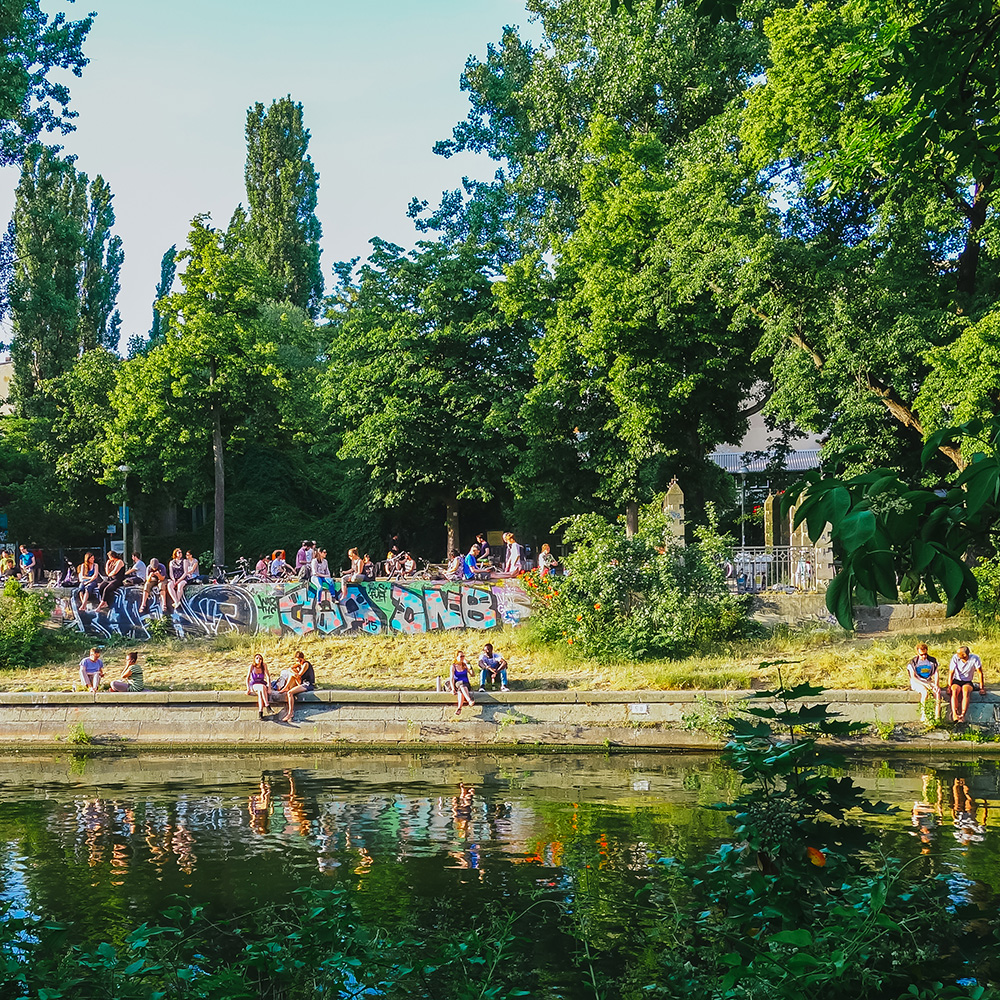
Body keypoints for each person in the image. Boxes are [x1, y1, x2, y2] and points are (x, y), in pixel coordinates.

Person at [948, 645, 985, 724]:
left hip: (967, 681)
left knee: (965, 691)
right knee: (954, 691)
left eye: (959, 654)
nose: (957, 654)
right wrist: (949, 686)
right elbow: (951, 673)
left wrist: (981, 687)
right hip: (956, 680)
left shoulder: (974, 658)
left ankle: (962, 714)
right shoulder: (955, 658)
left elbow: (979, 673)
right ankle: (954, 714)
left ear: (964, 655)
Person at [277, 650, 316, 723]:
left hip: (307, 684)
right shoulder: (299, 664)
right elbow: (289, 669)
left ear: (303, 659)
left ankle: (290, 713)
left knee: (290, 693)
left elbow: (299, 675)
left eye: (300, 660)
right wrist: (293, 671)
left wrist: (293, 673)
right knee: (292, 673)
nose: (298, 662)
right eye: (297, 661)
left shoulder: (305, 664)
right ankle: (286, 687)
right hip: (301, 683)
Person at [906, 642, 942, 721]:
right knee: (924, 692)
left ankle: (937, 715)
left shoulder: (932, 661)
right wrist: (924, 684)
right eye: (921, 655)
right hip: (917, 681)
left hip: (928, 680)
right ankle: (923, 714)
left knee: (937, 692)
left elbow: (936, 673)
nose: (924, 656)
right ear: (917, 653)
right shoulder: (913, 663)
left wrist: (936, 685)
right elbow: (913, 677)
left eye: (925, 654)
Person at [245, 653, 272, 719]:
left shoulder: (264, 665)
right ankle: (267, 705)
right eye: (257, 658)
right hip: (254, 684)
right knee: (262, 687)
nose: (259, 660)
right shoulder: (252, 666)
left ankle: (260, 712)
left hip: (262, 683)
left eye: (260, 658)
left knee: (260, 693)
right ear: (254, 659)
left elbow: (268, 676)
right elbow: (247, 678)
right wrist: (248, 688)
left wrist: (269, 688)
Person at [452, 650, 475, 717]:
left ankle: (459, 708)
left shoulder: (465, 666)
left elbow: (472, 675)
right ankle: (469, 700)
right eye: (461, 656)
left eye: (463, 656)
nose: (462, 658)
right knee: (461, 685)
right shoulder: (453, 666)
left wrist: (469, 666)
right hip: (458, 683)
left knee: (461, 691)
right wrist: (453, 688)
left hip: (466, 684)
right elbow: (452, 678)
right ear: (456, 657)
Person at [166, 548, 187, 612]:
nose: (180, 554)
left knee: (180, 586)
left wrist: (179, 580)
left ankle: (177, 601)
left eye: (181, 552)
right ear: (175, 554)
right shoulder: (172, 562)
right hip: (174, 578)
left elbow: (185, 572)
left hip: (182, 578)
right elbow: (171, 572)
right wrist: (173, 580)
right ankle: (176, 601)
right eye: (179, 552)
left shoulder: (184, 561)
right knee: (169, 585)